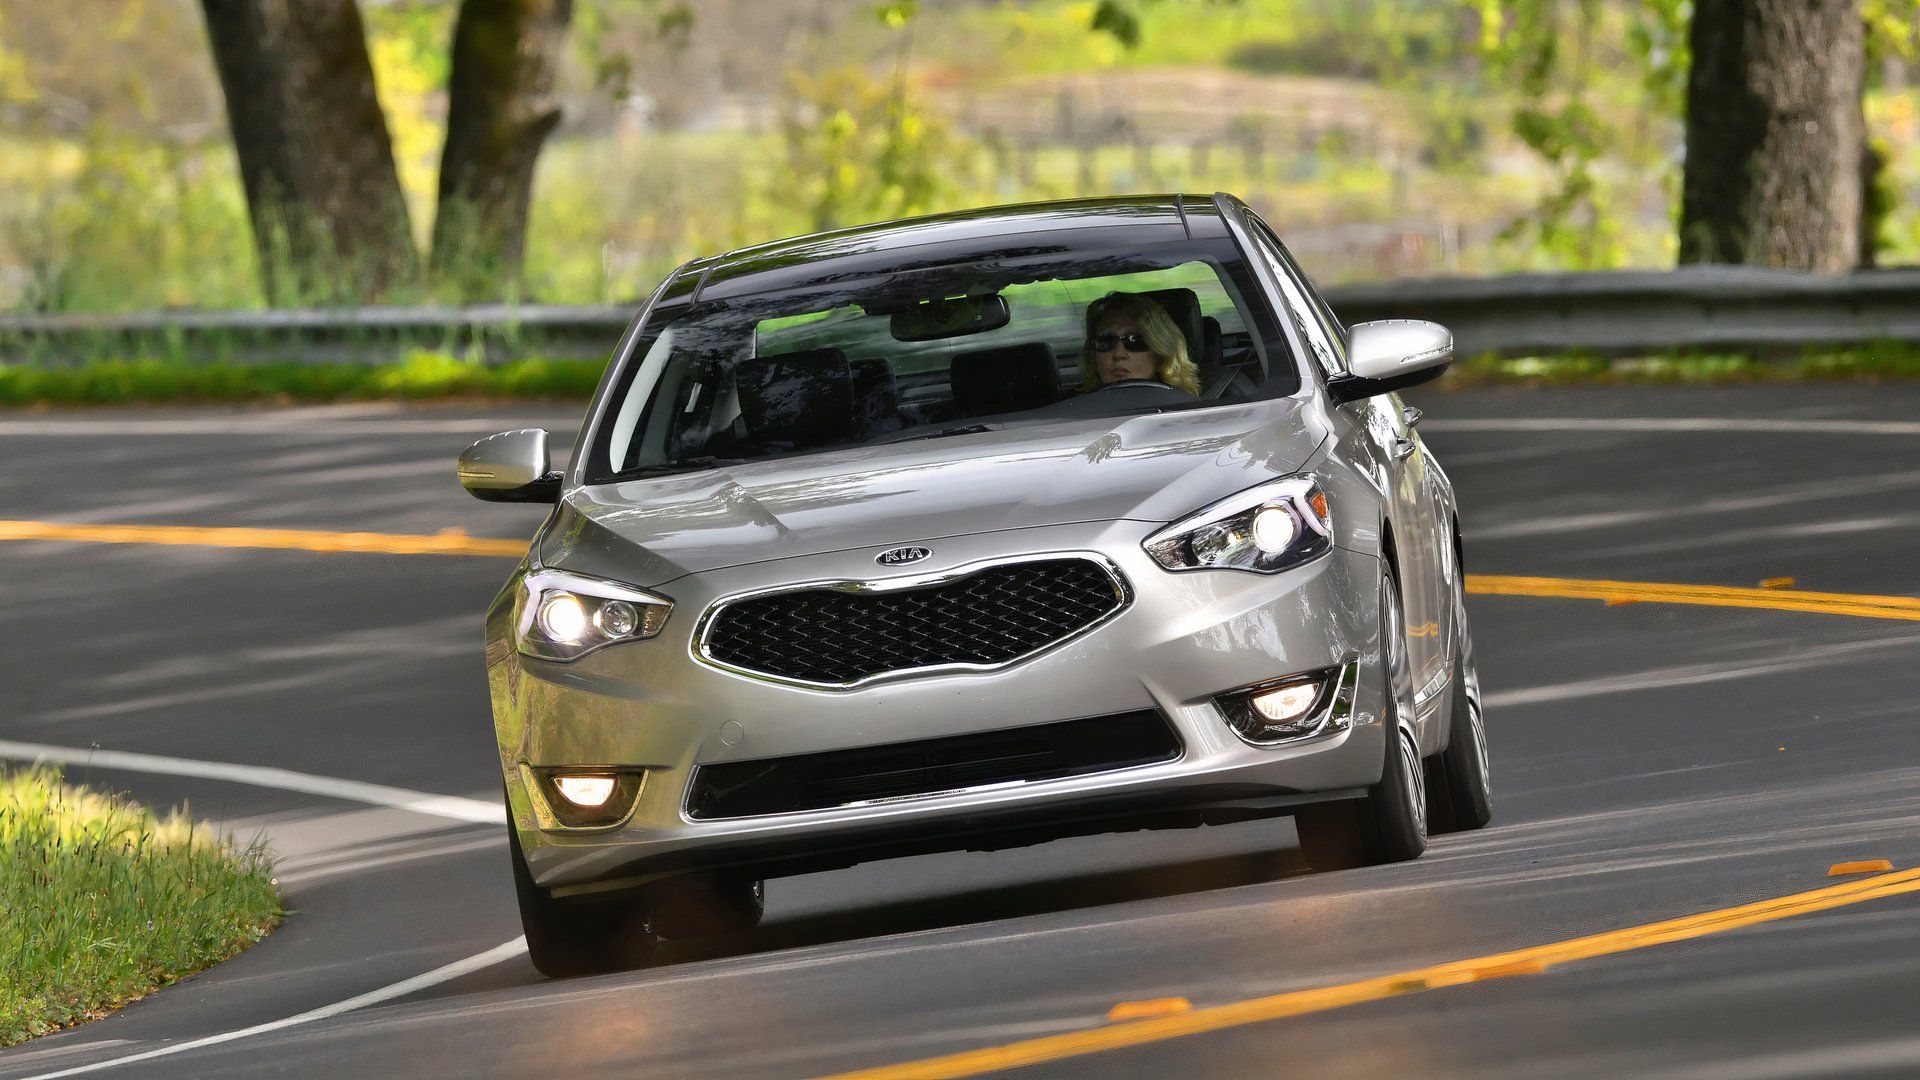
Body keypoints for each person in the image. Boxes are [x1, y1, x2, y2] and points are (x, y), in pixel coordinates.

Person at [1078, 292, 1201, 395]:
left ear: (1160, 356)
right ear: (1092, 355)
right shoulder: (1072, 416)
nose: (1119, 354)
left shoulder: (1189, 412)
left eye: (1135, 341)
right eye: (1106, 341)